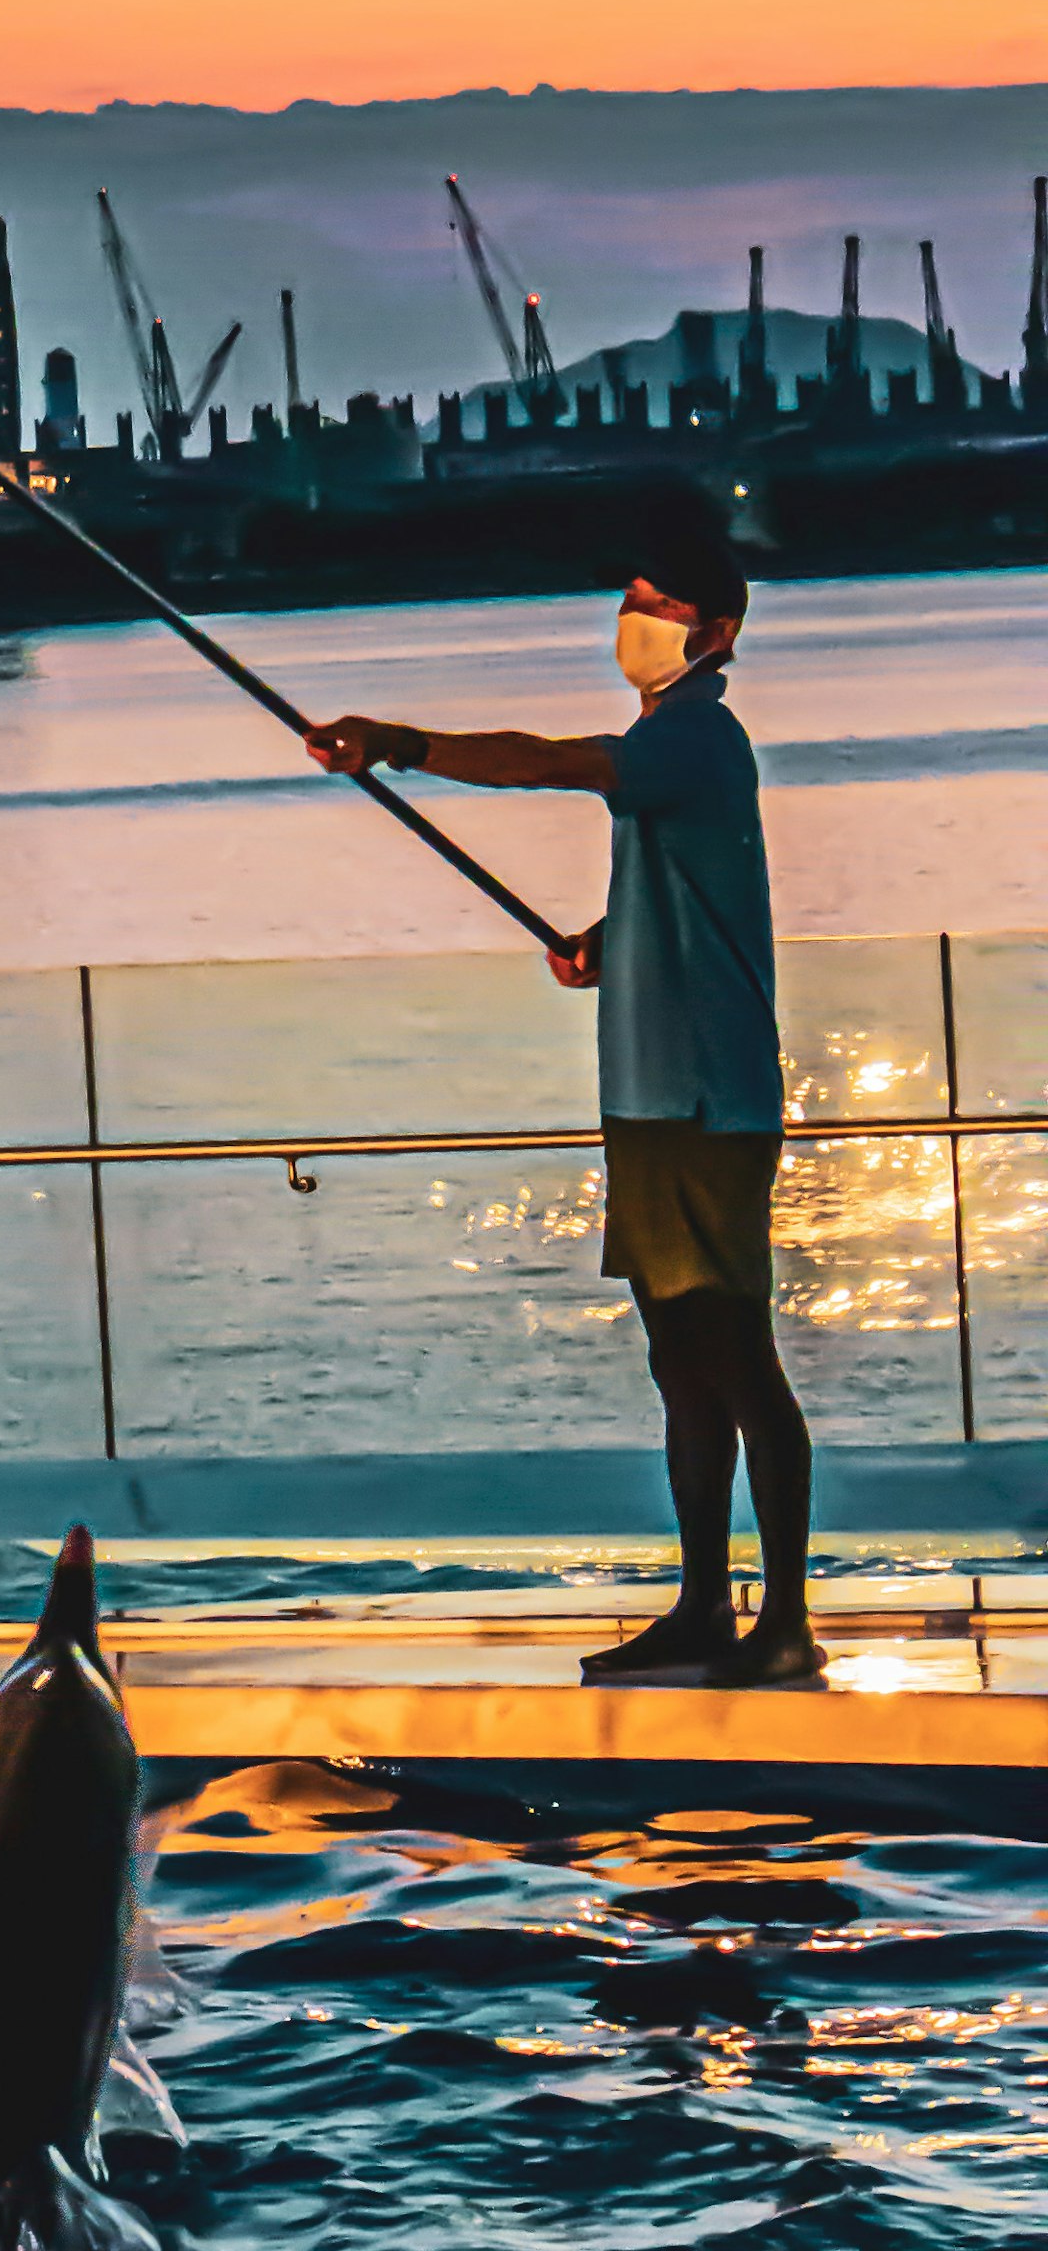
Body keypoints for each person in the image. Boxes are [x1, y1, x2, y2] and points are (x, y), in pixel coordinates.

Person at [305, 497, 814, 1687]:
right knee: (679, 1364)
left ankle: (783, 1625)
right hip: (649, 1101)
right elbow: (684, 895)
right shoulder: (674, 752)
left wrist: (404, 743)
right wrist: (606, 939)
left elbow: (554, 764)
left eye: (662, 607)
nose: (635, 620)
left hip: (704, 1103)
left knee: (738, 1360)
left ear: (720, 633)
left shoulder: (695, 735)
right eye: (630, 602)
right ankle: (702, 1609)